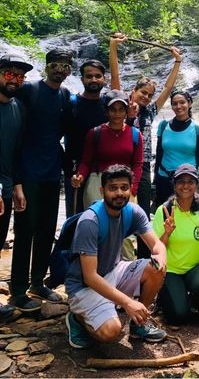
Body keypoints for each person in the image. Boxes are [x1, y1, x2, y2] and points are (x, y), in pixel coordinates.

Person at [65, 165, 167, 348]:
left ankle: (139, 324)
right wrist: (127, 303)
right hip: (84, 286)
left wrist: (161, 259)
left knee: (155, 268)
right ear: (102, 191)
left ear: (130, 189)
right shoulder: (90, 221)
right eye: (113, 188)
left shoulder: (133, 211)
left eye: (124, 187)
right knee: (111, 332)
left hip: (113, 271)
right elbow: (90, 277)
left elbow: (157, 245)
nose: (119, 193)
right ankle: (77, 318)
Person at [11, 48, 74, 312]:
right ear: (46, 66)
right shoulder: (30, 91)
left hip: (51, 173)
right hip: (28, 173)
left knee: (47, 230)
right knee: (25, 231)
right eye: (56, 64)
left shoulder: (64, 96)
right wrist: (17, 182)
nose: (60, 69)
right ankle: (17, 290)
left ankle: (38, 282)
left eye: (65, 66)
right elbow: (15, 131)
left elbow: (65, 131)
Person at [109, 34, 182, 219]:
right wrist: (113, 47)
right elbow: (115, 76)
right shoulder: (120, 104)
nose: (146, 97)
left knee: (141, 211)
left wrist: (177, 62)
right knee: (116, 208)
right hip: (120, 161)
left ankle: (143, 248)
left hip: (143, 165)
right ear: (133, 91)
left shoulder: (149, 111)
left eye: (150, 95)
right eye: (143, 92)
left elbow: (167, 88)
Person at [152, 164, 199, 323]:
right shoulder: (163, 211)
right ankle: (171, 297)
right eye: (181, 182)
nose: (185, 186)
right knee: (178, 315)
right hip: (171, 270)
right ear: (174, 185)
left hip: (196, 267)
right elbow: (156, 249)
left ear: (197, 185)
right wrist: (167, 233)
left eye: (190, 181)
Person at [0, 55, 33, 319]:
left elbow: (18, 150)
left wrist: (18, 186)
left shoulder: (18, 108)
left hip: (8, 186)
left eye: (20, 76)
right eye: (9, 74)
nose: (15, 80)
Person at [71, 90, 143, 209]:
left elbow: (138, 164)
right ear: (106, 111)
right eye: (113, 109)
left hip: (125, 185)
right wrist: (80, 176)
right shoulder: (94, 133)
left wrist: (133, 189)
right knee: (97, 224)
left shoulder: (135, 134)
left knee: (125, 225)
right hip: (97, 184)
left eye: (121, 109)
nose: (117, 113)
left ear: (126, 112)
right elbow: (86, 162)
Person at [63, 58, 108, 217]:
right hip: (76, 168)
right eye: (89, 76)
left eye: (98, 76)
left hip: (103, 169)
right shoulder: (72, 103)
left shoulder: (109, 105)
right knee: (76, 214)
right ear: (81, 79)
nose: (94, 79)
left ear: (104, 78)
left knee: (102, 214)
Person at [155, 90, 199, 206]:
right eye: (175, 103)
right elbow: (159, 155)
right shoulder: (163, 126)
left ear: (190, 103)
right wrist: (154, 182)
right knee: (165, 219)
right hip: (165, 179)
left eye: (182, 102)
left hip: (189, 181)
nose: (178, 106)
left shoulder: (198, 128)